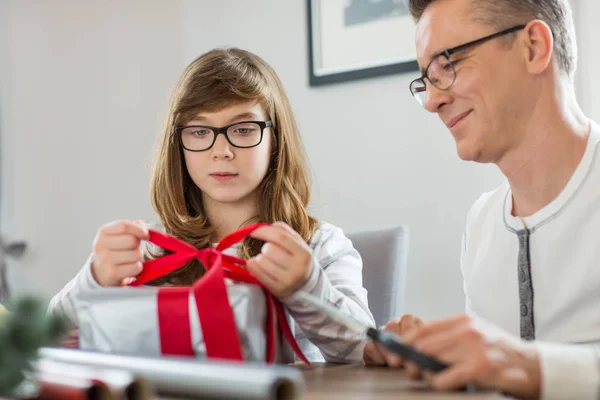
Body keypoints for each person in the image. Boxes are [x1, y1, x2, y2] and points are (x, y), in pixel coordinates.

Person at [48, 47, 375, 363]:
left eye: (244, 129)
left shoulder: (317, 246)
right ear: (179, 144)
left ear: (276, 140)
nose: (221, 151)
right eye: (200, 131)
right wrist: (94, 278)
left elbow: (368, 349)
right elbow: (41, 341)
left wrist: (306, 287)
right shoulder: (146, 251)